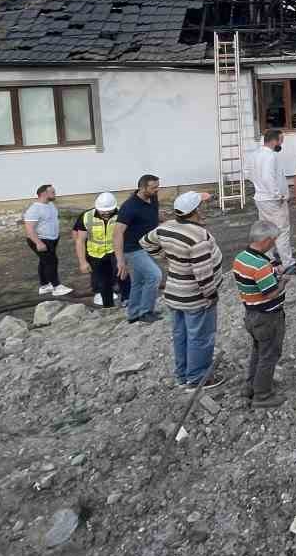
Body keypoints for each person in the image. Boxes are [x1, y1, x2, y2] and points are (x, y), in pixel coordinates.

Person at [140, 191, 225, 391]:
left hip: (174, 293)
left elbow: (145, 241)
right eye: (201, 206)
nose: (203, 209)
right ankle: (197, 378)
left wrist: (166, 257)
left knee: (181, 335)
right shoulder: (198, 237)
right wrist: (211, 296)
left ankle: (182, 374)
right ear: (195, 210)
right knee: (200, 337)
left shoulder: (166, 227)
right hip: (195, 297)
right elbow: (203, 274)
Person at [232, 220, 286, 407]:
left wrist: (273, 268)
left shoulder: (242, 257)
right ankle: (263, 395)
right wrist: (283, 281)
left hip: (251, 313)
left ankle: (251, 386)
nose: (274, 244)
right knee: (269, 354)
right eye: (273, 240)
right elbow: (271, 292)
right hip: (267, 316)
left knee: (258, 351)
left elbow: (258, 273)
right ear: (266, 240)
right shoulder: (260, 266)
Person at [246, 128, 296, 274]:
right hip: (272, 199)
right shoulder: (270, 156)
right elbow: (268, 177)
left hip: (261, 197)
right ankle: (288, 263)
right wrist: (278, 195)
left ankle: (269, 257)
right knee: (282, 230)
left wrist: (259, 187)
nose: (281, 143)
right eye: (281, 140)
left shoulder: (254, 155)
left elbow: (248, 173)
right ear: (274, 140)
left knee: (267, 228)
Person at [114, 174, 164, 324]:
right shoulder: (129, 207)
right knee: (155, 276)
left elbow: (152, 215)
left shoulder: (153, 198)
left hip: (150, 245)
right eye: (153, 187)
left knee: (138, 281)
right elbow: (117, 234)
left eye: (158, 186)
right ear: (142, 188)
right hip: (134, 249)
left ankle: (133, 313)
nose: (157, 190)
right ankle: (145, 312)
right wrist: (120, 260)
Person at [73, 191, 129, 307]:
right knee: (104, 283)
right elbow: (80, 241)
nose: (106, 213)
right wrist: (83, 262)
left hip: (115, 252)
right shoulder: (86, 216)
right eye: (103, 211)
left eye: (109, 210)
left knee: (122, 275)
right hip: (96, 255)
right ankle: (108, 306)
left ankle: (127, 300)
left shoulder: (122, 214)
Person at [22, 184, 69, 298]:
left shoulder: (51, 205)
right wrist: (38, 243)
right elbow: (29, 229)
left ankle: (44, 286)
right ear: (43, 194)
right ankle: (56, 287)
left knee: (44, 262)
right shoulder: (34, 209)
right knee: (51, 262)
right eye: (52, 192)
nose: (55, 194)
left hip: (52, 239)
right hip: (40, 240)